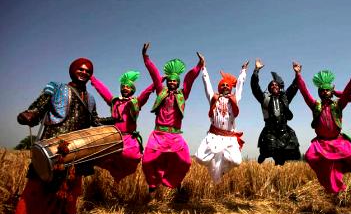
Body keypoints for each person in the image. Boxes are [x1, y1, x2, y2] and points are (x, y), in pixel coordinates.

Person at [8, 58, 114, 214]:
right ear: (72, 70)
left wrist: (112, 120)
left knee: (70, 190)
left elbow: (94, 122)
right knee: (38, 189)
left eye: (88, 71)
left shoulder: (90, 99)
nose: (84, 72)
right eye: (80, 69)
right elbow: (37, 109)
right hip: (54, 147)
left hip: (78, 150)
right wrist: (28, 116)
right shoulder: (55, 87)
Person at [294, 57, 351, 193]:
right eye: (322, 91)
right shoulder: (315, 105)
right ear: (319, 92)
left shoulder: (338, 105)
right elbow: (305, 92)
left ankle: (344, 174)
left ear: (331, 92)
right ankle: (328, 182)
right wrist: (298, 75)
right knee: (310, 156)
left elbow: (348, 90)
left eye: (327, 90)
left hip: (337, 141)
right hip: (321, 143)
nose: (324, 92)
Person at [141, 42, 205, 192]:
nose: (171, 82)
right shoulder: (160, 92)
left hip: (175, 135)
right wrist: (146, 58)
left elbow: (189, 80)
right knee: (147, 160)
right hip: (158, 133)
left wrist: (199, 65)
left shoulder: (182, 95)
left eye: (174, 80)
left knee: (185, 161)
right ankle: (152, 183)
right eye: (170, 80)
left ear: (177, 82)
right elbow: (155, 74)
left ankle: (173, 181)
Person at [90, 70, 155, 182]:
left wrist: (155, 83)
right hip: (114, 136)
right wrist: (92, 79)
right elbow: (103, 91)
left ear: (132, 90)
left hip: (129, 138)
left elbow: (146, 93)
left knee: (132, 156)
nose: (125, 88)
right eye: (123, 86)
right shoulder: (114, 102)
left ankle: (121, 174)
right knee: (100, 157)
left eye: (128, 87)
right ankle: (114, 173)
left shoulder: (136, 103)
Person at [194, 61, 248, 182]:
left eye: (227, 85)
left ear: (230, 88)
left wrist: (243, 71)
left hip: (229, 137)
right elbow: (207, 84)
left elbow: (240, 86)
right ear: (219, 87)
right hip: (214, 136)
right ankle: (216, 166)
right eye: (222, 85)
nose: (225, 87)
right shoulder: (214, 98)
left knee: (237, 161)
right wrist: (203, 68)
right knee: (200, 158)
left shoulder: (235, 99)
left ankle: (222, 169)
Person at [250, 58, 301, 166]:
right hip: (270, 130)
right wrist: (256, 70)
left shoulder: (285, 98)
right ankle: (263, 152)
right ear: (269, 88)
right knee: (270, 149)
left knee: (287, 154)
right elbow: (255, 87)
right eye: (272, 85)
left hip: (283, 130)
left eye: (276, 85)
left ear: (279, 88)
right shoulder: (265, 98)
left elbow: (294, 88)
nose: (274, 86)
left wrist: (297, 74)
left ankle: (279, 164)